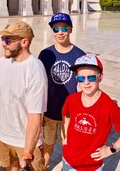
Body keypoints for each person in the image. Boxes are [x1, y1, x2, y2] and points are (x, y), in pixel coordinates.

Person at [62, 53, 120, 171]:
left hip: (91, 165)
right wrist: (66, 135)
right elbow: (67, 116)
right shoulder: (71, 99)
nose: (86, 82)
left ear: (100, 77)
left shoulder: (108, 106)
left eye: (91, 77)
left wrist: (111, 149)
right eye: (81, 78)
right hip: (68, 159)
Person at [0, 21, 48, 171]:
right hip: (2, 135)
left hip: (24, 142)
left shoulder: (35, 70)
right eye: (2, 39)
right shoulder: (1, 62)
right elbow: (1, 97)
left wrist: (27, 152)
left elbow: (36, 117)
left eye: (8, 40)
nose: (3, 44)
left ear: (24, 42)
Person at [38, 12, 85, 167]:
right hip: (49, 112)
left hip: (70, 114)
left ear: (70, 29)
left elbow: (85, 87)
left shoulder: (80, 56)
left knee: (69, 144)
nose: (60, 32)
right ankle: (43, 167)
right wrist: (39, 112)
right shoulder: (45, 54)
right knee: (48, 144)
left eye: (64, 28)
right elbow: (39, 85)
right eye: (56, 29)